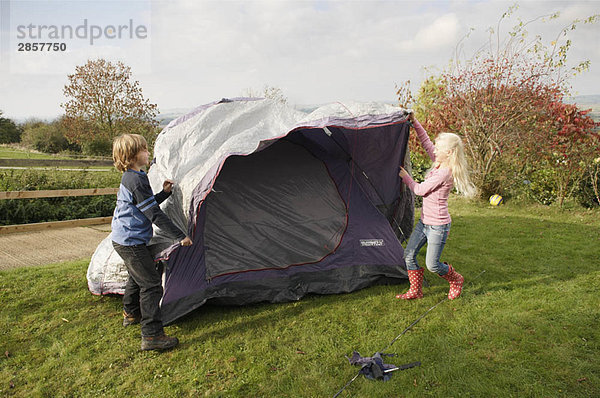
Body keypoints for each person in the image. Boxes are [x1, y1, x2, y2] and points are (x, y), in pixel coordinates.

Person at [111, 134, 193, 351]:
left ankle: (130, 313)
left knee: (137, 276)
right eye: (145, 150)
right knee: (151, 284)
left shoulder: (133, 177)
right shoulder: (136, 179)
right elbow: (153, 214)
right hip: (131, 241)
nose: (148, 153)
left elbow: (145, 205)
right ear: (132, 155)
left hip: (124, 239)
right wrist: (180, 235)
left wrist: (163, 194)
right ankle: (152, 335)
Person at [396, 113, 476, 300]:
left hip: (438, 226)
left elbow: (420, 190)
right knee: (409, 255)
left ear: (448, 153)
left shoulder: (444, 173)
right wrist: (414, 122)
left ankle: (455, 279)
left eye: (438, 148)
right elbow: (425, 142)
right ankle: (416, 291)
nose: (434, 150)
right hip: (425, 223)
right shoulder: (439, 162)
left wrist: (405, 177)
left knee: (433, 265)